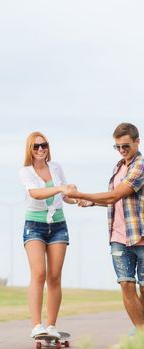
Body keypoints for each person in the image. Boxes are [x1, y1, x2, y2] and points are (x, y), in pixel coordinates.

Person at [64, 122, 144, 333]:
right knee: (126, 284)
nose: (121, 150)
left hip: (141, 236)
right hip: (118, 236)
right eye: (117, 147)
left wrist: (79, 194)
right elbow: (112, 201)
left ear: (137, 141)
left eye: (125, 146)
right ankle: (141, 333)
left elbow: (116, 194)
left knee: (143, 289)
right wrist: (90, 202)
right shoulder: (118, 167)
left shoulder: (141, 165)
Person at [18, 132, 76, 339]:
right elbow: (35, 193)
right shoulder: (26, 172)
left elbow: (65, 195)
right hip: (34, 225)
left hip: (58, 225)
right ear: (30, 150)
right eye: (36, 146)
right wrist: (61, 188)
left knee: (54, 276)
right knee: (39, 273)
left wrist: (77, 198)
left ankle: (51, 326)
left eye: (44, 145)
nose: (41, 149)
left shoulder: (56, 167)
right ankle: (36, 325)